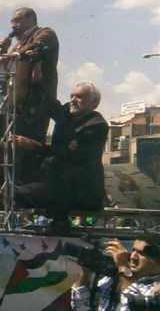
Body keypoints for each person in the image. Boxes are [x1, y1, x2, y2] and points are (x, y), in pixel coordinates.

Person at [13, 82, 108, 227]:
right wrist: (29, 75)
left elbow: (70, 153)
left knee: (20, 194)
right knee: (12, 194)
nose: (73, 100)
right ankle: (53, 222)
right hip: (57, 187)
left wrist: (35, 146)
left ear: (94, 102)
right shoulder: (67, 114)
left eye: (79, 96)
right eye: (72, 96)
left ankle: (60, 225)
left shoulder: (96, 125)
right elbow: (47, 99)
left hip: (82, 192)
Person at [0, 7, 59, 182]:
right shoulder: (17, 45)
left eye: (17, 20)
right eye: (11, 22)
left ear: (31, 19)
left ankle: (27, 190)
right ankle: (9, 191)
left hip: (35, 106)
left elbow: (36, 47)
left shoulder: (44, 33)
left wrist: (13, 54)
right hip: (15, 109)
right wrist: (3, 51)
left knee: (28, 154)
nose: (13, 25)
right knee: (9, 155)